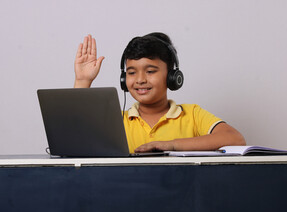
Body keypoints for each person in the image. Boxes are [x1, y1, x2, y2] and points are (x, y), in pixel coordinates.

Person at [74, 33, 246, 153]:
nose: (140, 79)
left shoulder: (192, 114)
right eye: (132, 72)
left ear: (172, 76)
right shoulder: (116, 121)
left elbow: (234, 138)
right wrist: (83, 81)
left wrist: (171, 145)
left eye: (150, 71)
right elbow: (76, 136)